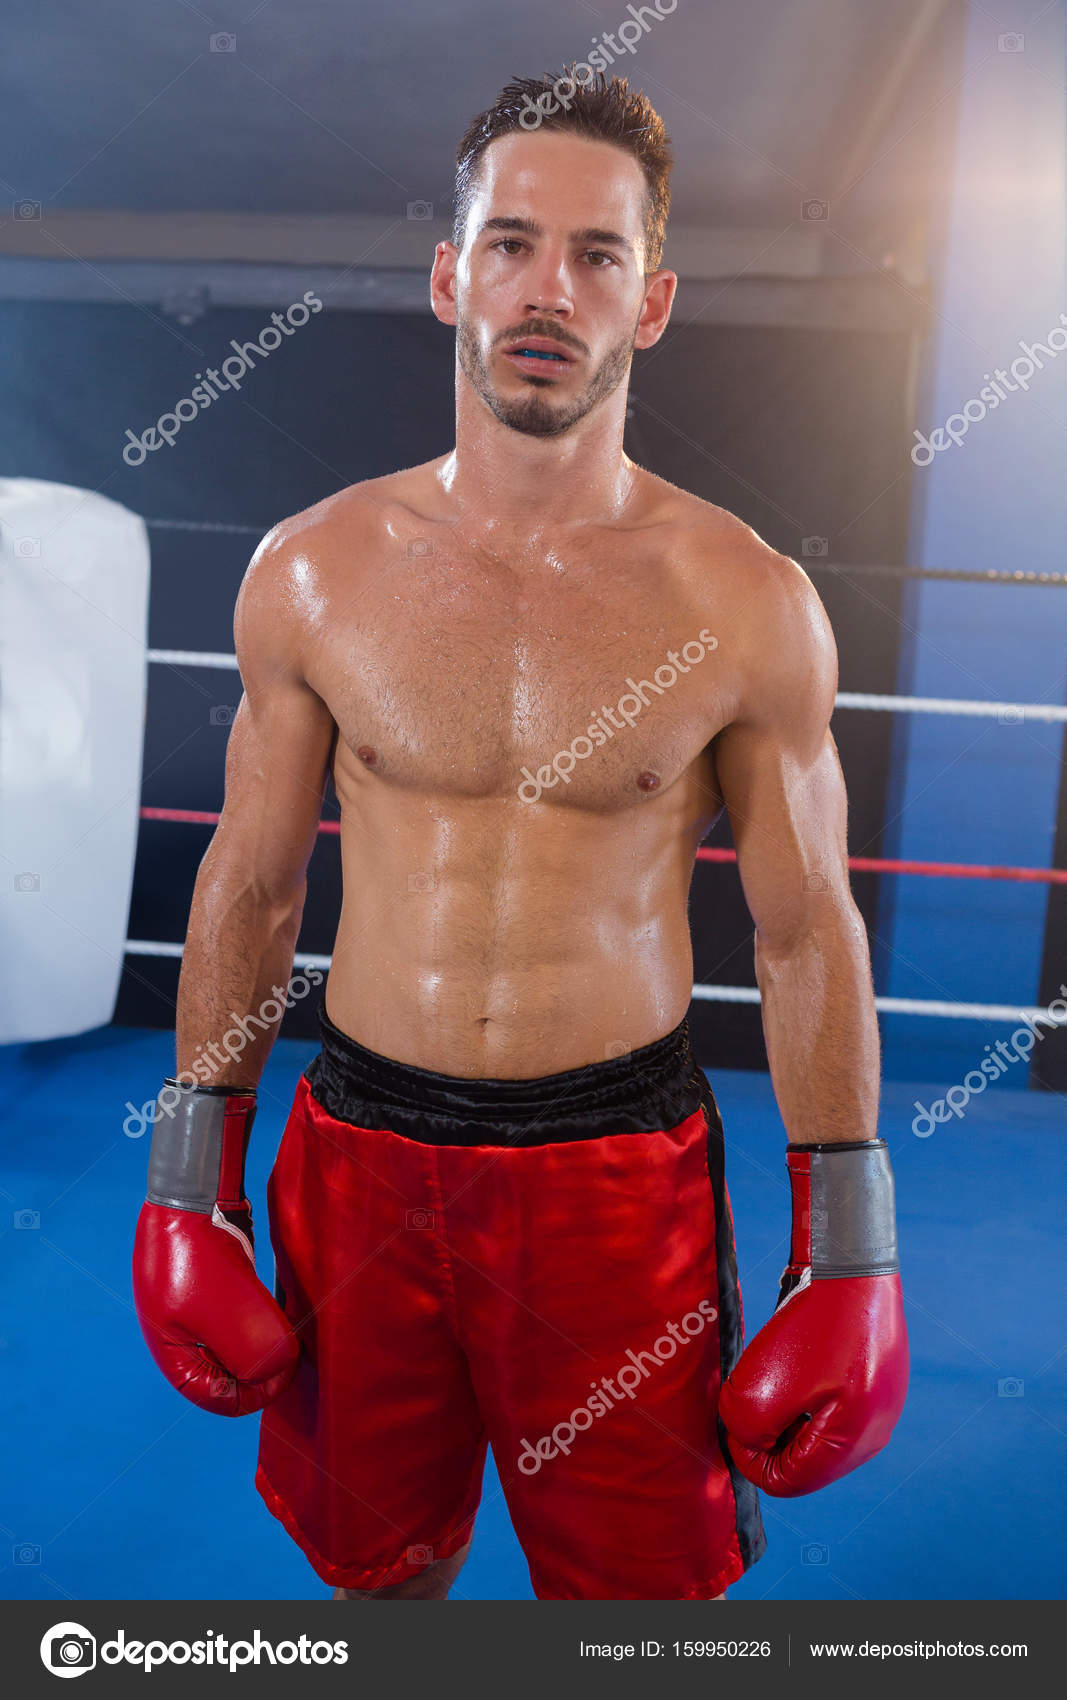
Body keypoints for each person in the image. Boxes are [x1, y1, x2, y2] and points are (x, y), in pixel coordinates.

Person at [132, 69, 908, 1602]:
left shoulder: (741, 598)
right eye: (511, 243)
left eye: (598, 255)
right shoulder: (315, 573)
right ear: (451, 275)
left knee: (631, 1611)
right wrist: (188, 1177)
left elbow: (808, 923)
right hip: (357, 1153)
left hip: (613, 1181)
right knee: (381, 1578)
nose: (548, 291)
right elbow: (255, 877)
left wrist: (855, 1249)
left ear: (656, 300)